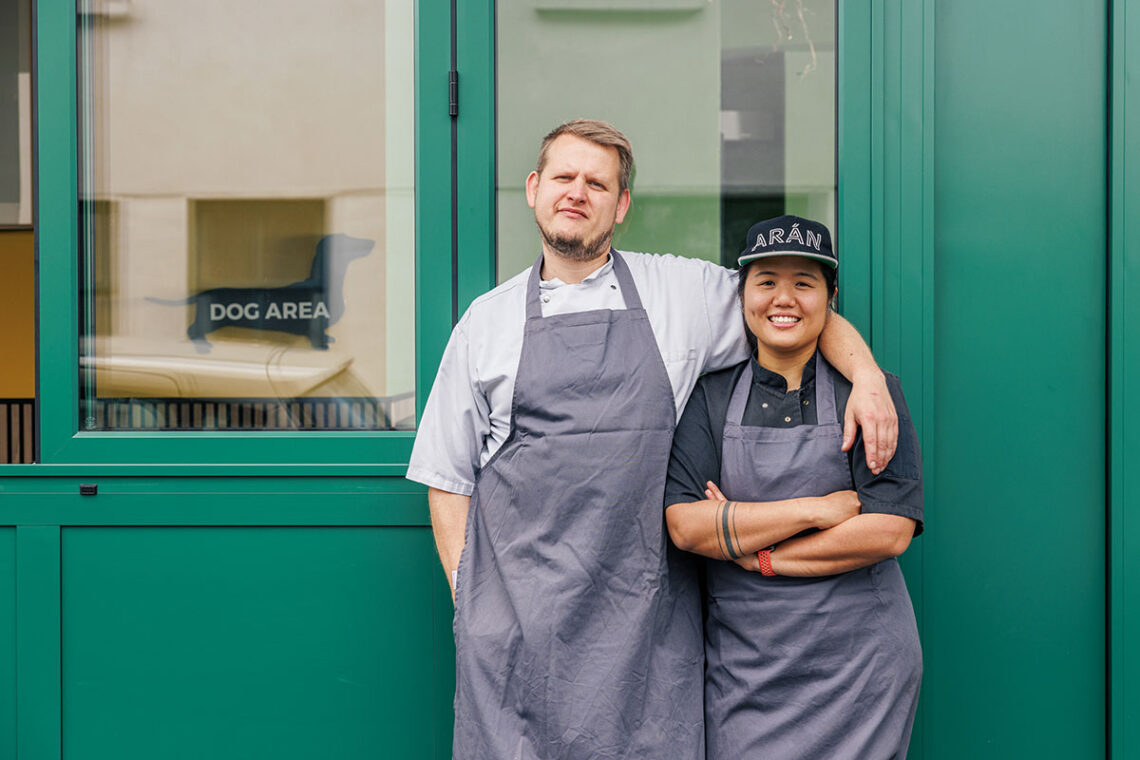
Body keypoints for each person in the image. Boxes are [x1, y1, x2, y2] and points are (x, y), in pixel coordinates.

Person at [407, 120, 900, 760]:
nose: (577, 193)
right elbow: (448, 477)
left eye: (597, 183)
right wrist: (470, 604)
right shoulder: (485, 323)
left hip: (642, 632)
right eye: (563, 177)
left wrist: (867, 377)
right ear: (534, 189)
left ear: (621, 205)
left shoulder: (681, 293)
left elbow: (787, 306)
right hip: (516, 631)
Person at [665, 214, 923, 759]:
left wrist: (759, 555)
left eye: (804, 282)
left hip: (861, 668)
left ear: (830, 299)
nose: (784, 299)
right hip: (747, 672)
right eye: (767, 281)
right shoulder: (709, 398)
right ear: (743, 296)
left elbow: (888, 530)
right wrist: (816, 510)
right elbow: (687, 526)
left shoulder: (871, 396)